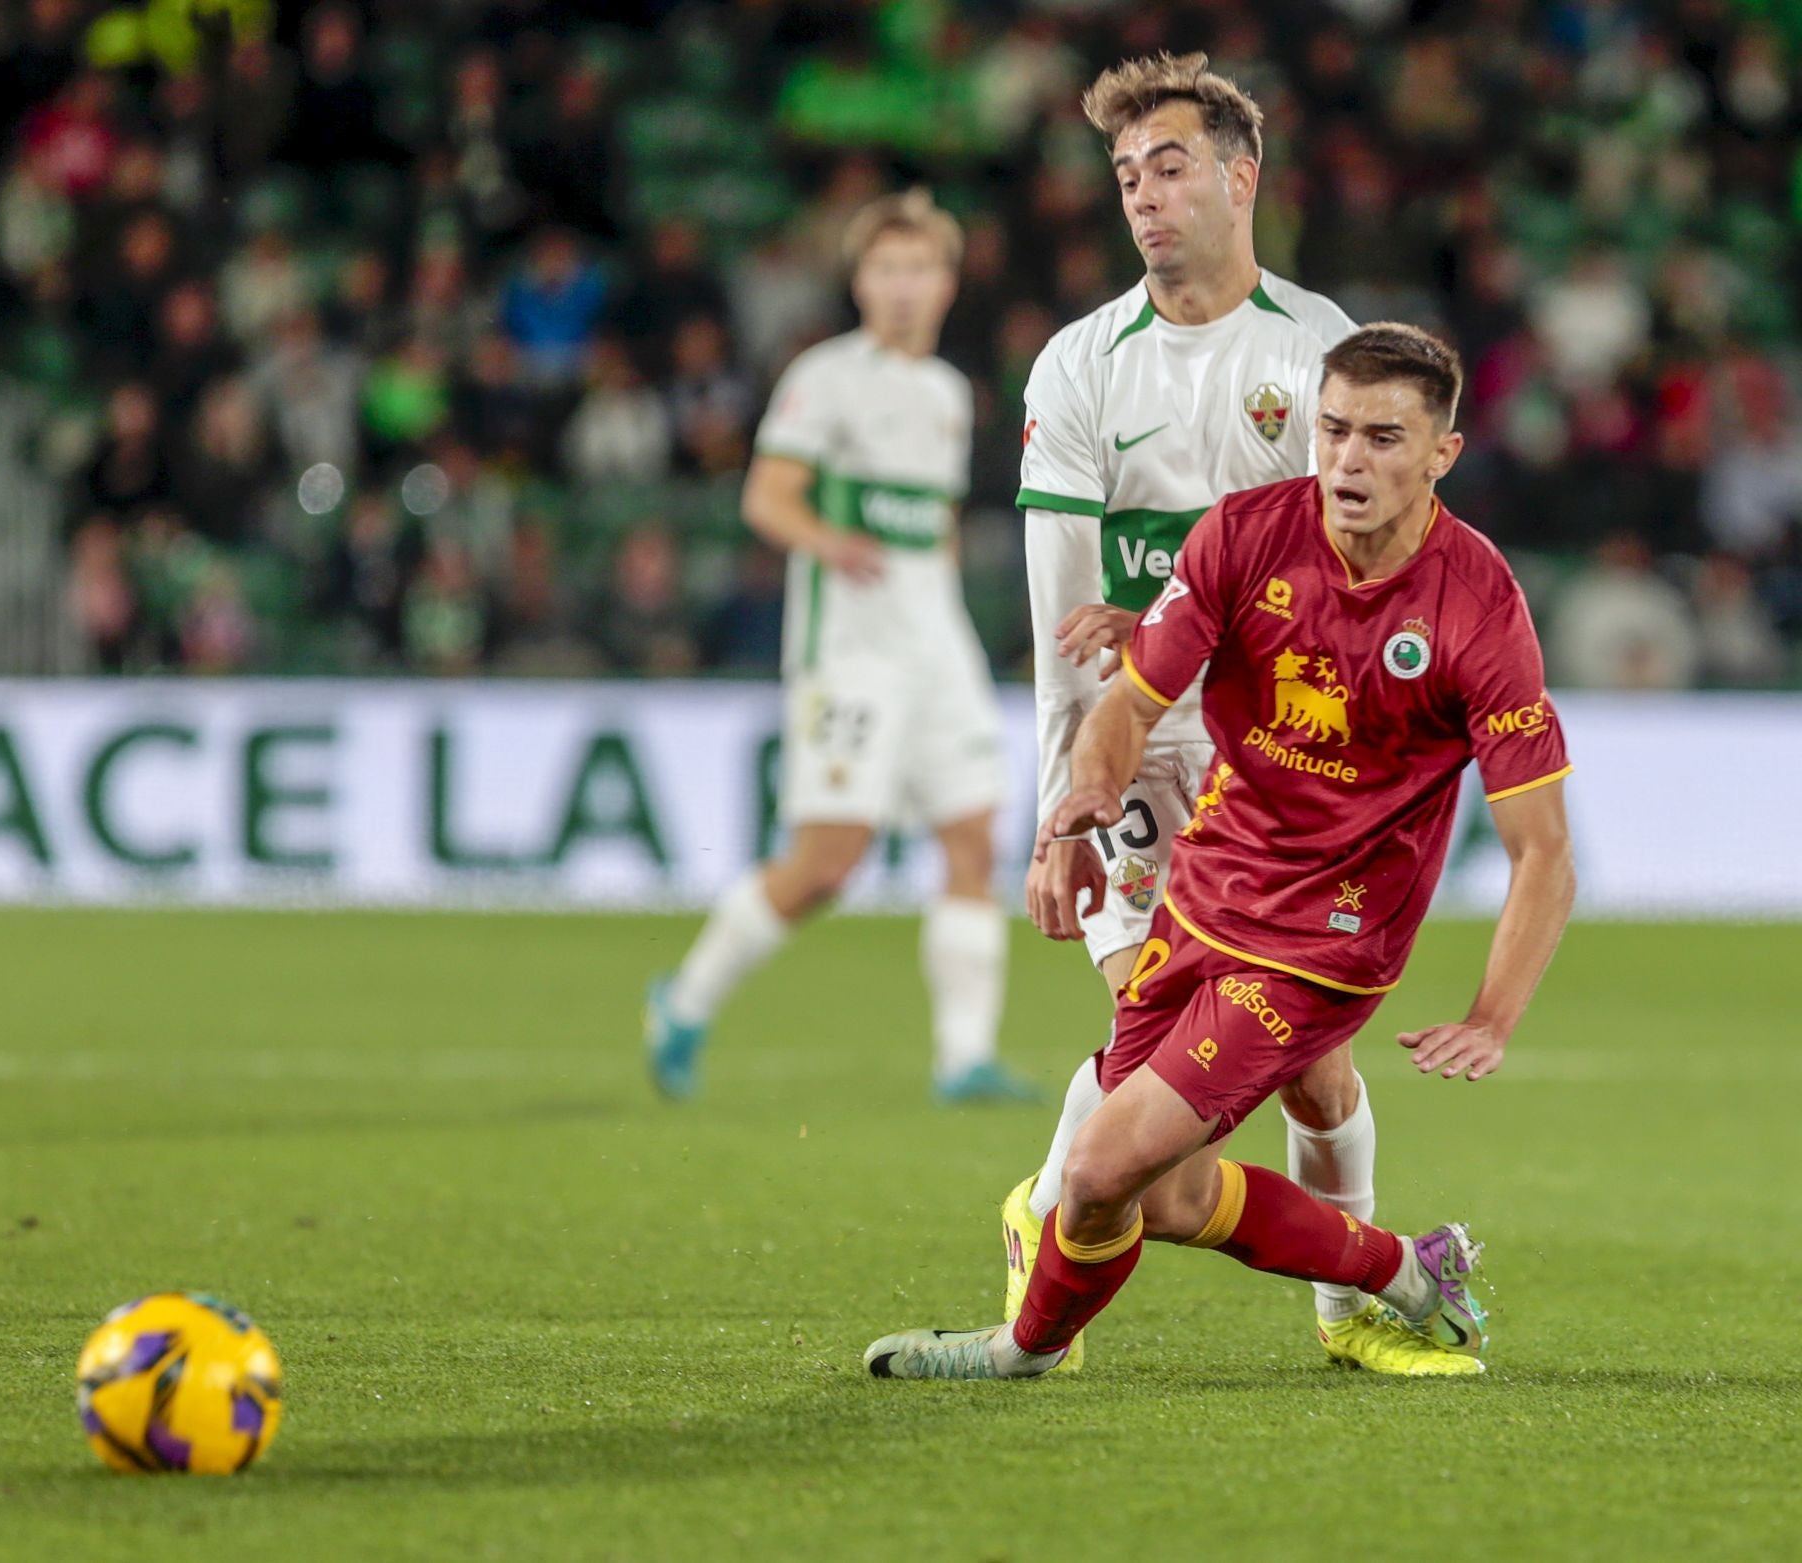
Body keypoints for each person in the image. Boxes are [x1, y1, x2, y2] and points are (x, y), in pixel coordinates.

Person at [864, 324, 1575, 1381]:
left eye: (1385, 438)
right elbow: (1132, 698)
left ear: (1443, 454)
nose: (1349, 460)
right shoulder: (1245, 534)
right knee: (1167, 1195)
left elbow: (1541, 851)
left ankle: (1022, 1352)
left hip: (1327, 938)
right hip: (1203, 895)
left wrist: (1493, 1015)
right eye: (1333, 430)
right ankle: (1408, 1276)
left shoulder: (1477, 605)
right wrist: (1091, 790)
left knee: (1098, 1166)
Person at [1008, 53, 1448, 1374]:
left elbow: (1359, 587)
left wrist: (1177, 621)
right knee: (1149, 1063)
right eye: (1127, 174)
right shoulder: (1079, 366)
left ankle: (1354, 1298)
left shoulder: (1317, 354)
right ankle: (1054, 1230)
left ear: (1242, 176)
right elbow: (1058, 627)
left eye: (1172, 165)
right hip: (1139, 758)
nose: (1144, 195)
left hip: (1282, 764)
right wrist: (1057, 816)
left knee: (1311, 1072)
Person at [644, 191, 1034, 1105]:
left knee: (974, 836)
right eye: (886, 269)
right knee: (828, 864)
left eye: (920, 269)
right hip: (850, 654)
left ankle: (963, 1057)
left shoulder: (945, 395)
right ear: (860, 280)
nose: (903, 287)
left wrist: (936, 605)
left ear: (946, 282)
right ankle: (686, 999)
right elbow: (765, 497)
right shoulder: (824, 377)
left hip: (936, 647)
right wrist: (828, 542)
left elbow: (931, 526)